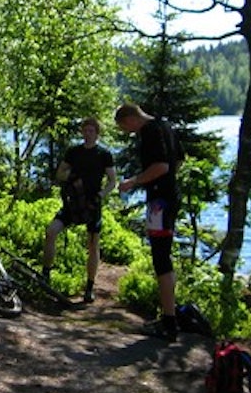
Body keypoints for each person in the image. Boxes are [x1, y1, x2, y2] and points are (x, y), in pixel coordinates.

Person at [114, 103, 183, 342]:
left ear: (131, 119)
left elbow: (162, 166)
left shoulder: (150, 131)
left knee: (161, 259)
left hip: (160, 203)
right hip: (168, 197)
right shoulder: (166, 126)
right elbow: (179, 160)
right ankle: (168, 316)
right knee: (163, 257)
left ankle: (169, 321)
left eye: (126, 128)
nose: (129, 133)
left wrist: (133, 181)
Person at [43, 117, 118, 303]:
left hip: (92, 204)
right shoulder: (73, 152)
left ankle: (89, 287)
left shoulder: (104, 154)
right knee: (51, 232)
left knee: (93, 244)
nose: (87, 134)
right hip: (72, 203)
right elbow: (60, 173)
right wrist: (72, 177)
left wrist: (100, 195)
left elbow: (112, 181)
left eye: (91, 130)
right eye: (85, 130)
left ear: (97, 133)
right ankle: (45, 275)